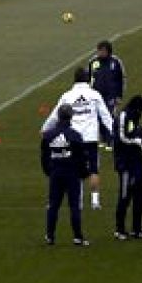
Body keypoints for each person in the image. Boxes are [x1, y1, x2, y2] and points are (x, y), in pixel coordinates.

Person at [51, 67, 115, 209]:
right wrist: (113, 132)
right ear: (88, 79)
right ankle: (95, 201)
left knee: (75, 169)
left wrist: (45, 129)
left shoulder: (67, 95)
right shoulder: (94, 95)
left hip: (73, 138)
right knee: (93, 169)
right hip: (91, 138)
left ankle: (78, 200)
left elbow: (55, 115)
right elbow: (105, 116)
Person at [41, 104, 91, 246]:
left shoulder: (48, 135)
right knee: (74, 206)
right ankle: (77, 237)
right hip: (72, 174)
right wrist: (84, 173)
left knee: (53, 205)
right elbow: (82, 158)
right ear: (71, 116)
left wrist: (48, 170)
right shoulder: (75, 136)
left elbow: (44, 156)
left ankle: (50, 236)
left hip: (56, 173)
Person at [112, 95, 142, 240]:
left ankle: (137, 229)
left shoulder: (134, 117)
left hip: (136, 161)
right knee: (125, 195)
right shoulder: (123, 116)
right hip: (125, 163)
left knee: (141, 194)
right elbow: (122, 137)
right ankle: (119, 229)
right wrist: (140, 144)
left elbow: (138, 130)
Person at [88, 40, 127, 115]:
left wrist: (119, 96)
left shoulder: (115, 62)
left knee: (109, 116)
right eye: (99, 50)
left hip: (111, 96)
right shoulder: (93, 61)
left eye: (102, 51)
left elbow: (121, 79)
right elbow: (88, 78)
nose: (100, 52)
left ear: (108, 51)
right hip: (96, 96)